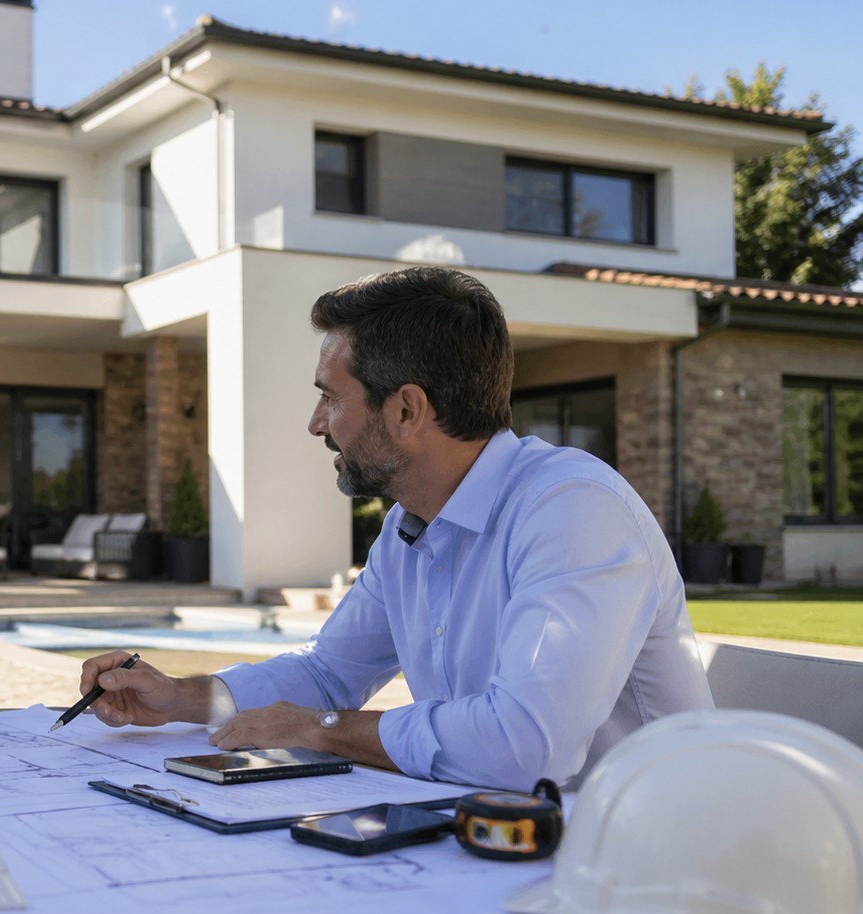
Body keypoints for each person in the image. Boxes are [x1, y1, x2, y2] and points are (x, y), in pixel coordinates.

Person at [81, 267, 713, 791]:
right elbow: (330, 673)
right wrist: (180, 697)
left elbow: (524, 747)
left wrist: (320, 730)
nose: (315, 423)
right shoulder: (411, 526)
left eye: (330, 396)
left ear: (407, 409)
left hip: (643, 863)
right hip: (501, 843)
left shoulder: (574, 510)